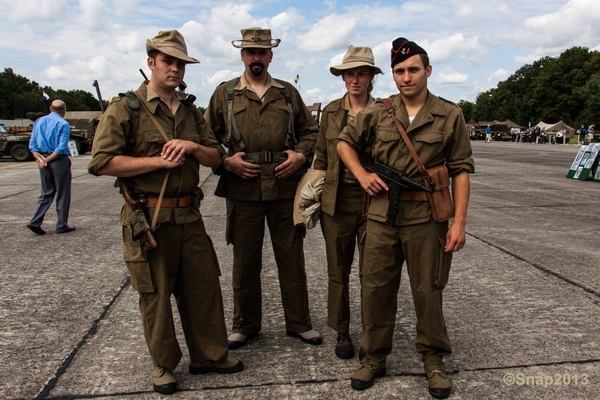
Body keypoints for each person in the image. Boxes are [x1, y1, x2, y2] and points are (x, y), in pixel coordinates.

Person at [88, 30, 242, 395]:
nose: (175, 69)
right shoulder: (126, 108)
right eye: (168, 61)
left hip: (189, 214)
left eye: (181, 63)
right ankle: (162, 366)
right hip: (150, 217)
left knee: (203, 288)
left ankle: (210, 355)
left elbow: (215, 157)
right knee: (155, 295)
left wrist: (191, 146)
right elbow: (101, 162)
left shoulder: (190, 111)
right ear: (151, 63)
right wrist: (156, 161)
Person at [337, 37, 474, 398]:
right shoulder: (379, 112)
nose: (406, 77)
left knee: (428, 290)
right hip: (381, 217)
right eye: (399, 71)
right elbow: (344, 142)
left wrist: (458, 222)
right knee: (375, 289)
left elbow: (460, 170)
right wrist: (363, 175)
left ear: (428, 70)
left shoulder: (449, 114)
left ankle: (433, 359)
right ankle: (374, 358)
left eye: (413, 69)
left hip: (427, 218)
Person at [204, 27, 321, 349]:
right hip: (243, 192)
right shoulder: (225, 94)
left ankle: (299, 323)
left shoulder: (286, 93)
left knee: (292, 259)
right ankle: (245, 325)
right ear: (242, 55)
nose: (257, 58)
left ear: (270, 55)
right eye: (251, 52)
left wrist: (301, 155)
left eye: (262, 52)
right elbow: (205, 138)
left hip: (285, 189)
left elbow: (311, 132)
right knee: (245, 263)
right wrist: (226, 162)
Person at [314, 45, 383, 359]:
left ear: (371, 77)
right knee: (338, 270)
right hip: (337, 201)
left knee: (374, 271)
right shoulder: (330, 112)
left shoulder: (384, 111)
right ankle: (341, 330)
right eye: (349, 73)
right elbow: (321, 157)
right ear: (342, 77)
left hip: (375, 201)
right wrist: (312, 196)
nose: (355, 80)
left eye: (361, 73)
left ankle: (372, 331)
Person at [27, 99, 75, 235]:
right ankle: (61, 224)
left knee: (46, 192)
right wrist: (48, 159)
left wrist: (40, 159)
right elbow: (61, 147)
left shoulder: (39, 122)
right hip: (58, 160)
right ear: (63, 111)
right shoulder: (63, 124)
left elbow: (33, 144)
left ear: (50, 108)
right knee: (63, 192)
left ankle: (34, 221)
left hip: (42, 158)